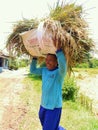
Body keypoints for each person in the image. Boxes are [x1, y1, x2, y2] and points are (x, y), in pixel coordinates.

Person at [30, 46, 67, 130]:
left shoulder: (59, 73)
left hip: (53, 107)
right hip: (43, 105)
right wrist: (34, 57)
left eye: (50, 60)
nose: (47, 62)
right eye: (46, 60)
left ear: (56, 62)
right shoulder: (44, 70)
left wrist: (59, 52)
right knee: (47, 125)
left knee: (47, 128)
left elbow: (63, 67)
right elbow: (32, 70)